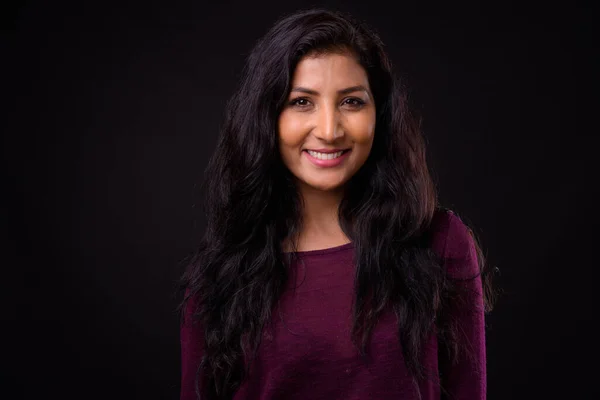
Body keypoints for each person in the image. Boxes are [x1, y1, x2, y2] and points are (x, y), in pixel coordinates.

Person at [178, 8, 494, 400]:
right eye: (301, 102)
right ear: (266, 117)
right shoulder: (218, 274)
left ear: (380, 114)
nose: (329, 130)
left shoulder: (440, 244)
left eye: (351, 102)